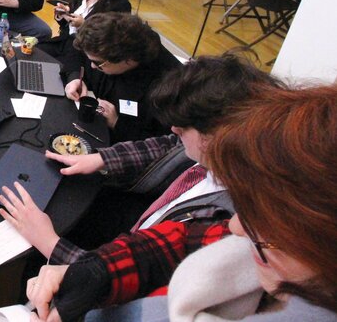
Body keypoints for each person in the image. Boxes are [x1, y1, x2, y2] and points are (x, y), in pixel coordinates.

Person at [25, 83, 337, 322]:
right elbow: (183, 239)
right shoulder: (273, 250)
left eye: (263, 223)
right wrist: (97, 270)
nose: (234, 225)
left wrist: (56, 248)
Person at [0, 54, 279, 267]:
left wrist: (50, 243)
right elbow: (168, 146)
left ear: (221, 135)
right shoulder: (222, 153)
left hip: (116, 261)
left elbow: (125, 278)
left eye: (183, 126)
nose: (174, 130)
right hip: (140, 212)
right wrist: (101, 159)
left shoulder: (223, 224)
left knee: (37, 263)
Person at [65, 12, 181, 144]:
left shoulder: (169, 90)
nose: (92, 66)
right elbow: (75, 53)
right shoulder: (105, 48)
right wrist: (74, 77)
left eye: (98, 63)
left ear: (128, 60)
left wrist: (117, 123)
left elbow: (164, 144)